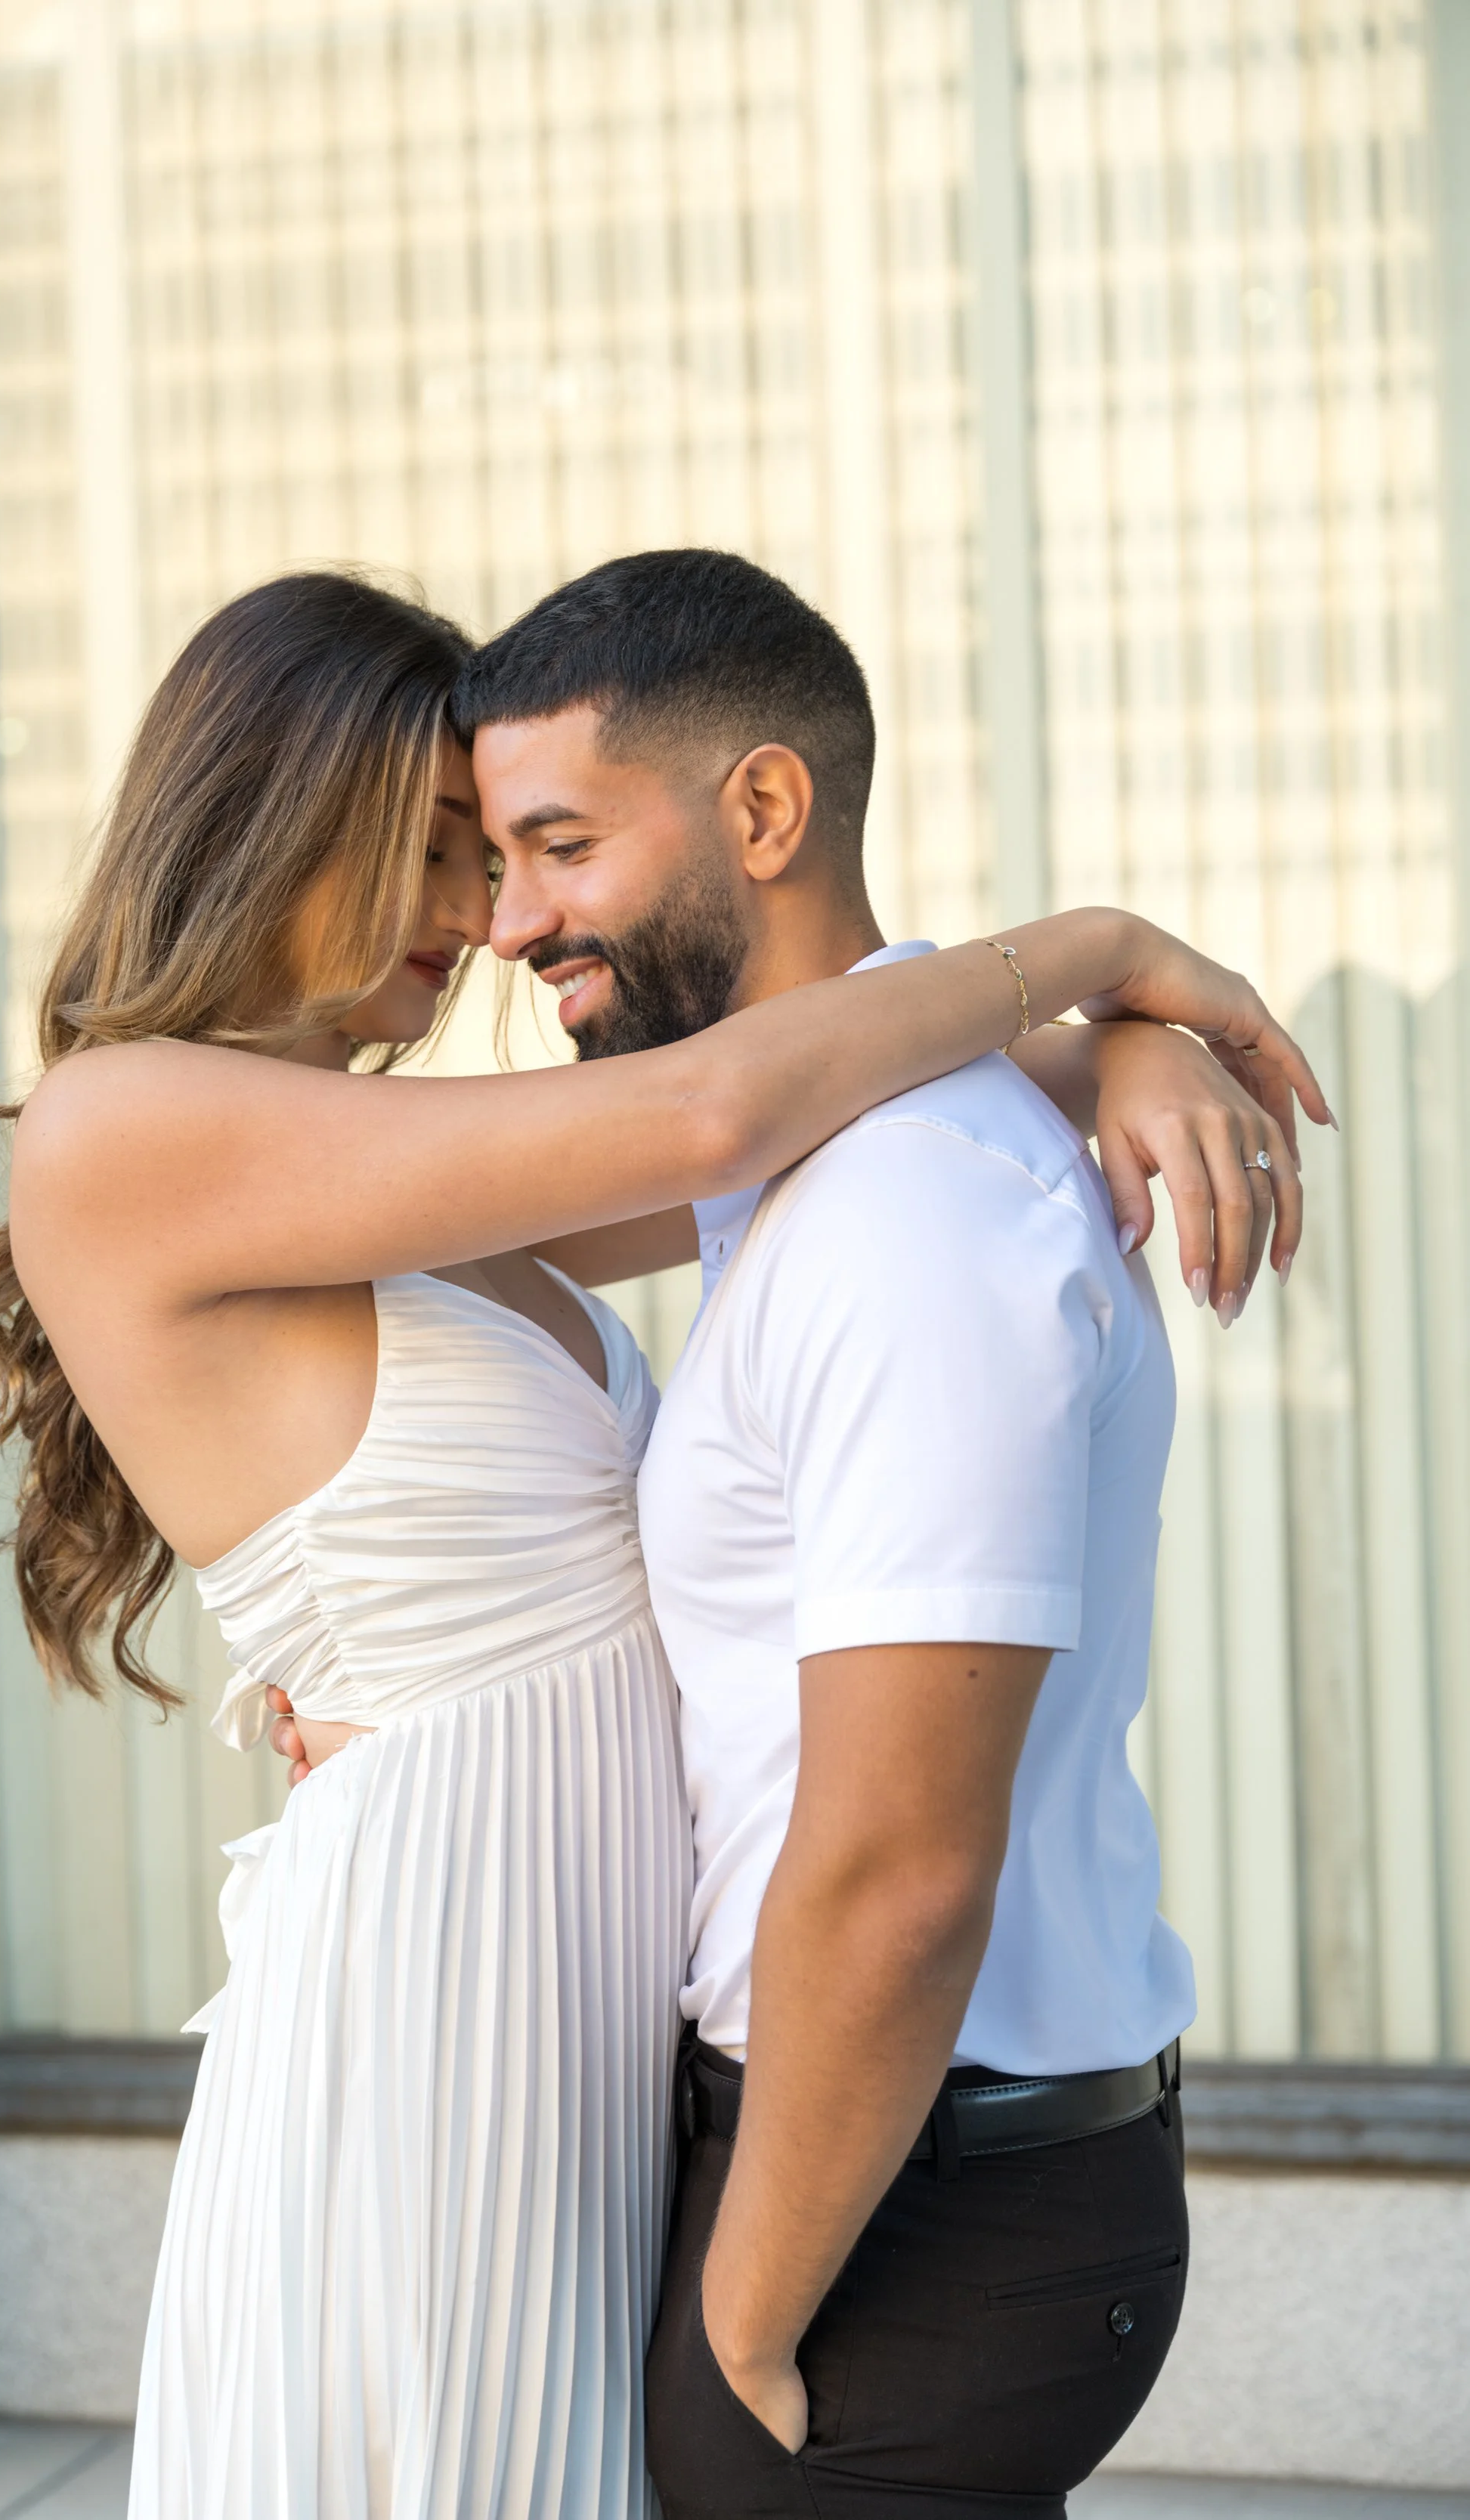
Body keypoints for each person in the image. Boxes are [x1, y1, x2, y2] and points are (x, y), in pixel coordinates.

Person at [0, 568, 1323, 2520]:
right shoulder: (123, 1123)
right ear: (272, 824)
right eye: (438, 848)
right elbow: (712, 1121)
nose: (481, 919)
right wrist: (1094, 954)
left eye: (510, 851)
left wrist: (1110, 1058)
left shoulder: (388, 1170)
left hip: (601, 2008)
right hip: (438, 1977)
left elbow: (796, 1123)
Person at [437, 548, 1329, 2518]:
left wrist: (746, 2321)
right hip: (870, 2159)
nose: (509, 923)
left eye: (561, 846)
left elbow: (901, 1866)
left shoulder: (910, 1219)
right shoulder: (815, 1160)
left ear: (764, 809)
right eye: (497, 862)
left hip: (902, 2208)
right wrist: (1089, 1019)